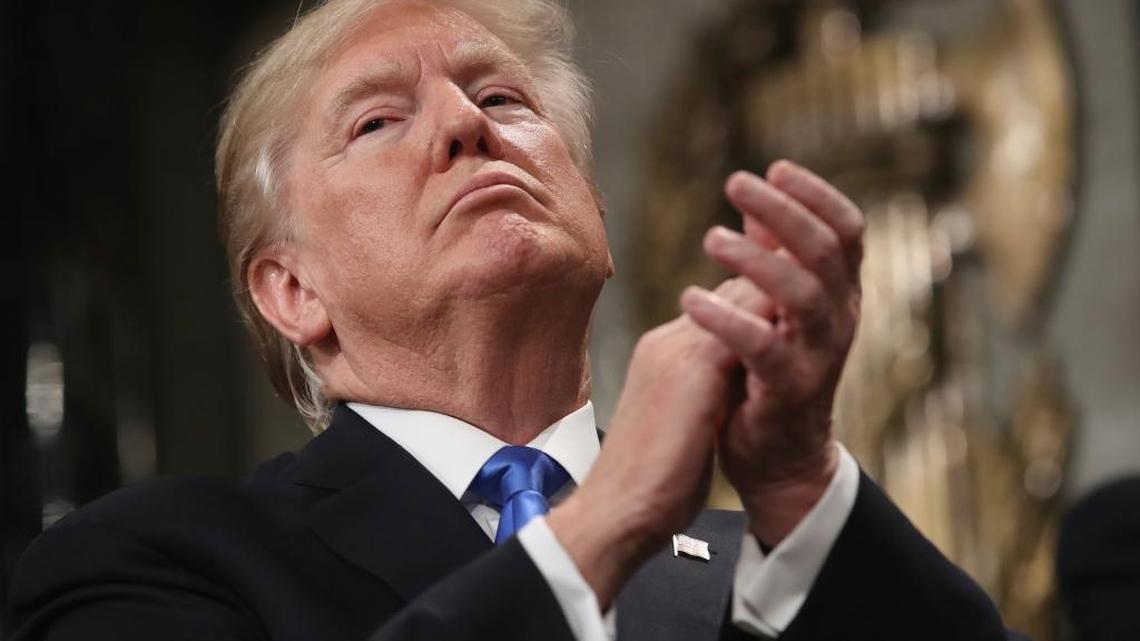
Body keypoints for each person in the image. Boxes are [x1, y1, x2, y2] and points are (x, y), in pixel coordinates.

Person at [9, 1, 1022, 639]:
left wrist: (801, 483)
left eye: (502, 95)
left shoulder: (785, 561)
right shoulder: (160, 559)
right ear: (291, 292)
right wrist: (595, 530)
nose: (467, 124)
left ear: (594, 208)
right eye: (376, 121)